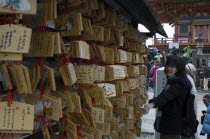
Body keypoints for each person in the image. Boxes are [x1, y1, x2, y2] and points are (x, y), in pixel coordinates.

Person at [143, 55, 193, 139]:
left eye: (172, 66)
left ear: (179, 68)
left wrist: (152, 104)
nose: (169, 68)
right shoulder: (174, 78)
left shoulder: (180, 82)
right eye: (168, 66)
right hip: (171, 120)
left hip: (174, 121)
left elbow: (167, 95)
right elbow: (164, 95)